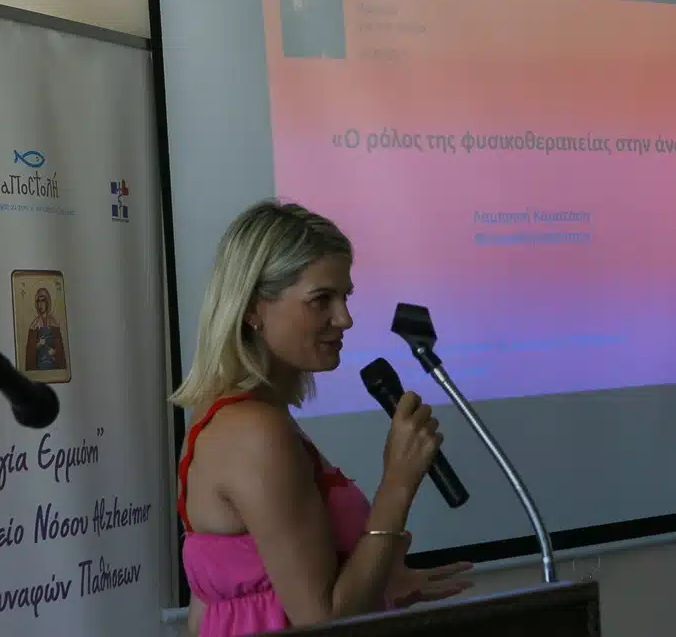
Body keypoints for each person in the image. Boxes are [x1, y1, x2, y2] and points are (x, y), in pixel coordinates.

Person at [172, 199, 473, 637]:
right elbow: (323, 620)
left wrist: (379, 586)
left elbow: (214, 608)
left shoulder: (235, 418)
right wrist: (398, 482)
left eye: (345, 296)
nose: (345, 318)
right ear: (253, 308)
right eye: (321, 300)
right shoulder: (253, 432)